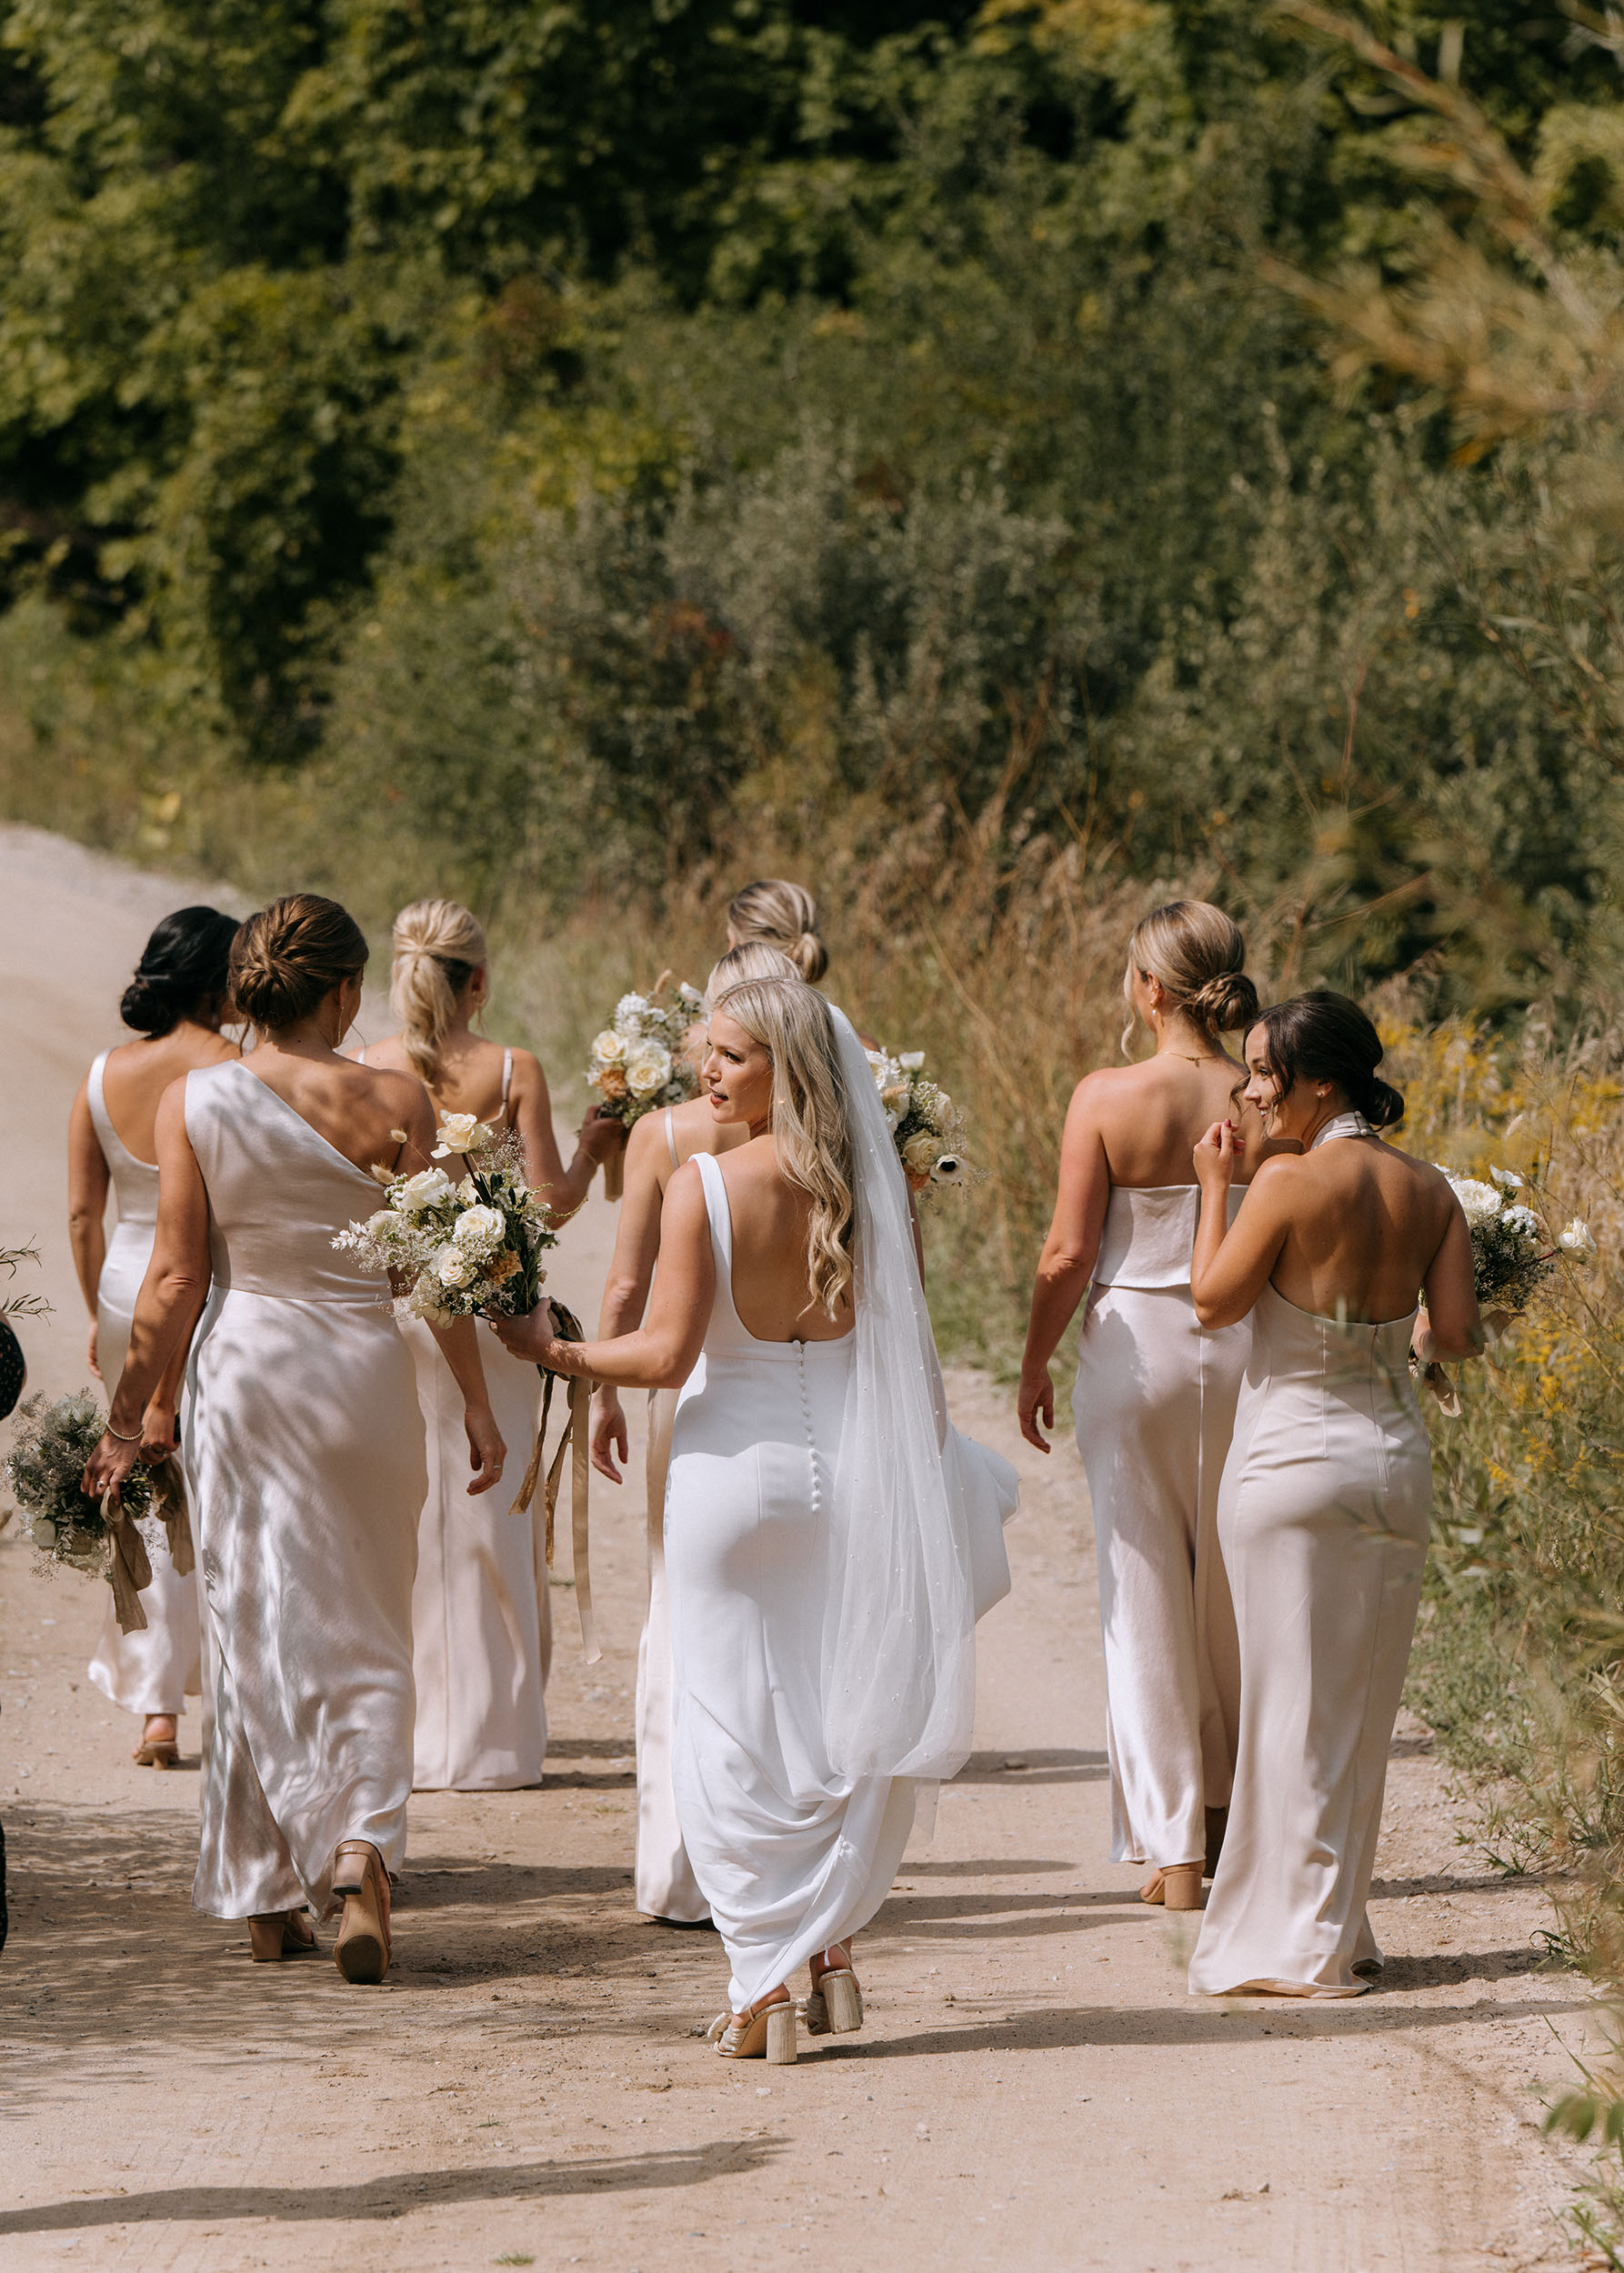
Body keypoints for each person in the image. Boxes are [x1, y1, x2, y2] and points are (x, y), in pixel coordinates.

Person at [498, 976, 1015, 2061]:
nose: (708, 1072)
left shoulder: (705, 1185)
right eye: (707, 1053)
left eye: (730, 1055)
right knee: (836, 1709)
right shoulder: (879, 1194)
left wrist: (559, 1355)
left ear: (788, 1066)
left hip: (734, 1477)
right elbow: (911, 1363)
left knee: (729, 1725)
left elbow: (668, 1356)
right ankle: (823, 1951)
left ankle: (762, 1981)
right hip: (858, 1478)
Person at [84, 894, 506, 1983]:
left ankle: (267, 1887)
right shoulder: (397, 1098)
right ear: (344, 992)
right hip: (361, 1378)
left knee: (253, 1619)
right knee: (367, 1621)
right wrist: (474, 1401)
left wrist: (129, 1418)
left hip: (248, 1377)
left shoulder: (197, 1100)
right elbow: (436, 1272)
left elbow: (176, 1275)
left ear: (248, 991)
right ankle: (360, 1847)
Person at [1186, 993, 1479, 1998]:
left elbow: (1212, 1304)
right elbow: (1452, 1335)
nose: (1252, 1090)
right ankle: (1337, 1924)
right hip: (1392, 1463)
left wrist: (1215, 1187)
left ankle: (1296, 1941)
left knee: (1284, 1700)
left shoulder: (1285, 1184)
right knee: (1359, 1704)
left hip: (1287, 1467)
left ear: (1322, 1083)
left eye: (1266, 1073)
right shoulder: (1430, 1188)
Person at [1017, 900, 1261, 1910]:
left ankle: (1172, 1851)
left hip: (1134, 1355)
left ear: (1149, 988)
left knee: (1142, 1589)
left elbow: (1069, 1252)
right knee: (1236, 1591)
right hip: (1246, 1343)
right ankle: (1240, 1818)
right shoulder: (1264, 1093)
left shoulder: (1106, 1095)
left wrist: (1033, 1358)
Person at [357, 898, 620, 1792]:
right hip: (502, 1318)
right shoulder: (514, 1067)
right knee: (495, 1525)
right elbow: (545, 1205)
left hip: (396, 1321)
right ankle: (496, 1742)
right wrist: (588, 1154)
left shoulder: (364, 1068)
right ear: (479, 979)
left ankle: (414, 1735)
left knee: (408, 1521)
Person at [592, 932, 810, 1925]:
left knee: (682, 1613)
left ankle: (679, 1866)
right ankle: (787, 1868)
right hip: (797, 1396)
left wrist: (589, 1380)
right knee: (780, 1628)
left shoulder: (666, 1139)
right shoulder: (842, 1156)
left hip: (691, 1394)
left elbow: (631, 1282)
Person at [67, 907, 240, 1768]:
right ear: (220, 980)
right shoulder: (232, 1071)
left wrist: (103, 1317)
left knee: (141, 1484)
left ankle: (154, 1708)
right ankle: (229, 1689)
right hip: (200, 1286)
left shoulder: (103, 1074)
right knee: (211, 1489)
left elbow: (80, 1214)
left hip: (120, 1288)